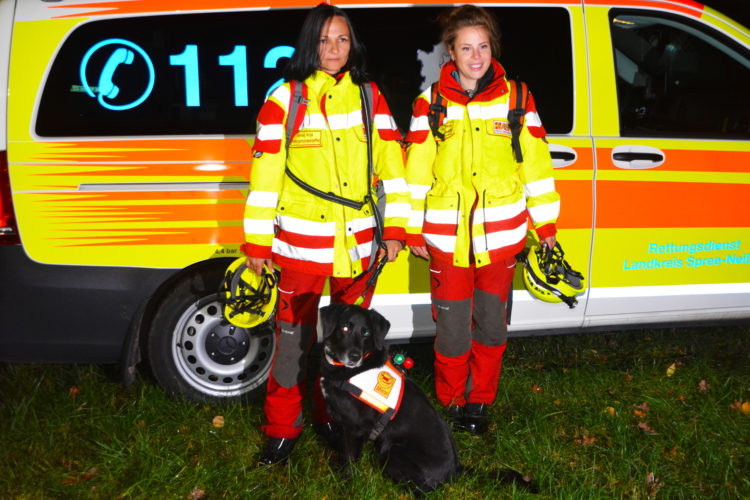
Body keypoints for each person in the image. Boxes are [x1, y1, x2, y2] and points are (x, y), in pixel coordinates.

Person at [242, 3, 408, 465]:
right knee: (294, 344)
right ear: (309, 43)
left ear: (352, 44)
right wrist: (257, 243)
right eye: (324, 40)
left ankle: (337, 421)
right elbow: (265, 179)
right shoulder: (285, 98)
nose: (333, 49)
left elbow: (392, 171)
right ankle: (281, 433)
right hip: (299, 247)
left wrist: (394, 229)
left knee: (349, 345)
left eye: (342, 39)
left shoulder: (370, 96)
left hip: (358, 247)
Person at [404, 5, 559, 434]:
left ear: (493, 49)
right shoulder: (430, 103)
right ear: (450, 52)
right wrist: (411, 226)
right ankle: (451, 402)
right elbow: (416, 171)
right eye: (466, 48)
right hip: (446, 238)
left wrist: (545, 226)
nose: (476, 57)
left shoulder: (518, 99)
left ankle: (479, 402)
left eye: (483, 47)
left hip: (502, 235)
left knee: (491, 326)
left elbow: (537, 167)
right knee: (452, 329)